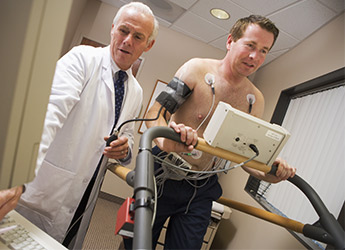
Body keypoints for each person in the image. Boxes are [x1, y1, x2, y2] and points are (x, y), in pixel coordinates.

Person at [125, 15, 296, 249]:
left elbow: (246, 159)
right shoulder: (197, 70)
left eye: (264, 51)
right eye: (250, 45)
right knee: (136, 243)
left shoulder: (254, 100)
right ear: (230, 41)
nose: (255, 56)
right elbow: (156, 114)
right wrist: (169, 142)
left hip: (202, 187)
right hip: (163, 172)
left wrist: (270, 173)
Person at [0, 2, 158, 249]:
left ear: (148, 45)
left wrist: (125, 149)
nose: (128, 40)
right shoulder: (82, 59)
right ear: (112, 29)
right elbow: (48, 113)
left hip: (85, 190)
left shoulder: (135, 91)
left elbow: (127, 134)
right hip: (43, 186)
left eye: (138, 36)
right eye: (124, 31)